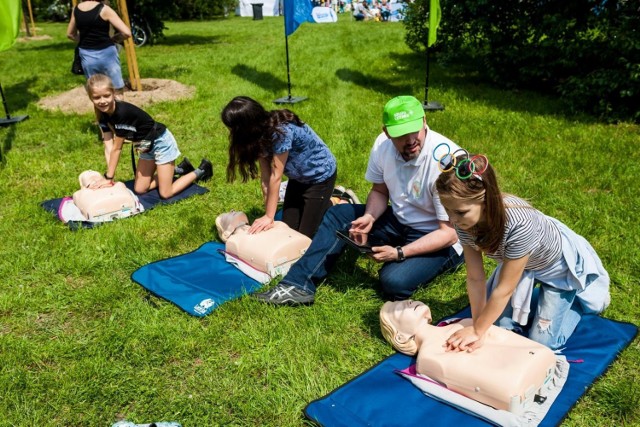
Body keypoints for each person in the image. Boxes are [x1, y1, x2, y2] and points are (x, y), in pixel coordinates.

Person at [253, 95, 464, 305]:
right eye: (401, 135)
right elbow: (380, 191)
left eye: (414, 131)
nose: (410, 141)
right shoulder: (383, 146)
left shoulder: (445, 163)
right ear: (387, 132)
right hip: (401, 221)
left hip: (440, 236)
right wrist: (370, 217)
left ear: (425, 121)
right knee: (338, 215)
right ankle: (298, 285)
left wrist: (400, 253)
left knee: (393, 282)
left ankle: (445, 262)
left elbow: (449, 234)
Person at [433, 151, 610, 351]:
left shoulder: (520, 223)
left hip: (556, 268)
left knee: (541, 344)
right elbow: (475, 278)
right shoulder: (464, 223)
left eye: (460, 212)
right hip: (520, 265)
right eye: (447, 210)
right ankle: (537, 301)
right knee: (498, 327)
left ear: (486, 200)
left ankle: (575, 303)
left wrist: (476, 330)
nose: (452, 219)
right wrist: (478, 325)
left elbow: (504, 289)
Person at [379, 300, 558, 413]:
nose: (408, 302)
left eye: (406, 301)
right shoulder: (428, 357)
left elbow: (504, 338)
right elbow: (476, 377)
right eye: (399, 309)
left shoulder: (463, 323)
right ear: (400, 336)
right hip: (514, 383)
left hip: (533, 358)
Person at [221, 96, 337, 238]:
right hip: (298, 180)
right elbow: (266, 177)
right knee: (287, 230)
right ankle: (320, 205)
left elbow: (276, 177)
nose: (231, 133)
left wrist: (269, 216)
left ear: (246, 126)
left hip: (319, 178)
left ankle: (335, 203)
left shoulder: (280, 132)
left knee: (305, 236)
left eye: (233, 129)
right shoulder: (257, 137)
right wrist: (269, 216)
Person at [85, 74, 212, 198]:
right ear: (91, 98)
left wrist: (109, 178)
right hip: (144, 144)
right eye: (97, 98)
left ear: (113, 93)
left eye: (106, 96)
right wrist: (109, 177)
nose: (102, 101)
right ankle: (180, 169)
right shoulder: (102, 115)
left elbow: (117, 149)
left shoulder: (121, 113)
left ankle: (201, 170)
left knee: (165, 193)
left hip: (160, 142)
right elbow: (109, 146)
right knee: (140, 189)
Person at [67, 0, 131, 98]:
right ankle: (119, 113)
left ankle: (100, 113)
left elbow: (70, 34)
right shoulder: (105, 9)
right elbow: (126, 33)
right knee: (116, 90)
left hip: (87, 55)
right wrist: (114, 39)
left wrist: (84, 40)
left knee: (95, 93)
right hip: (108, 55)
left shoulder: (76, 10)